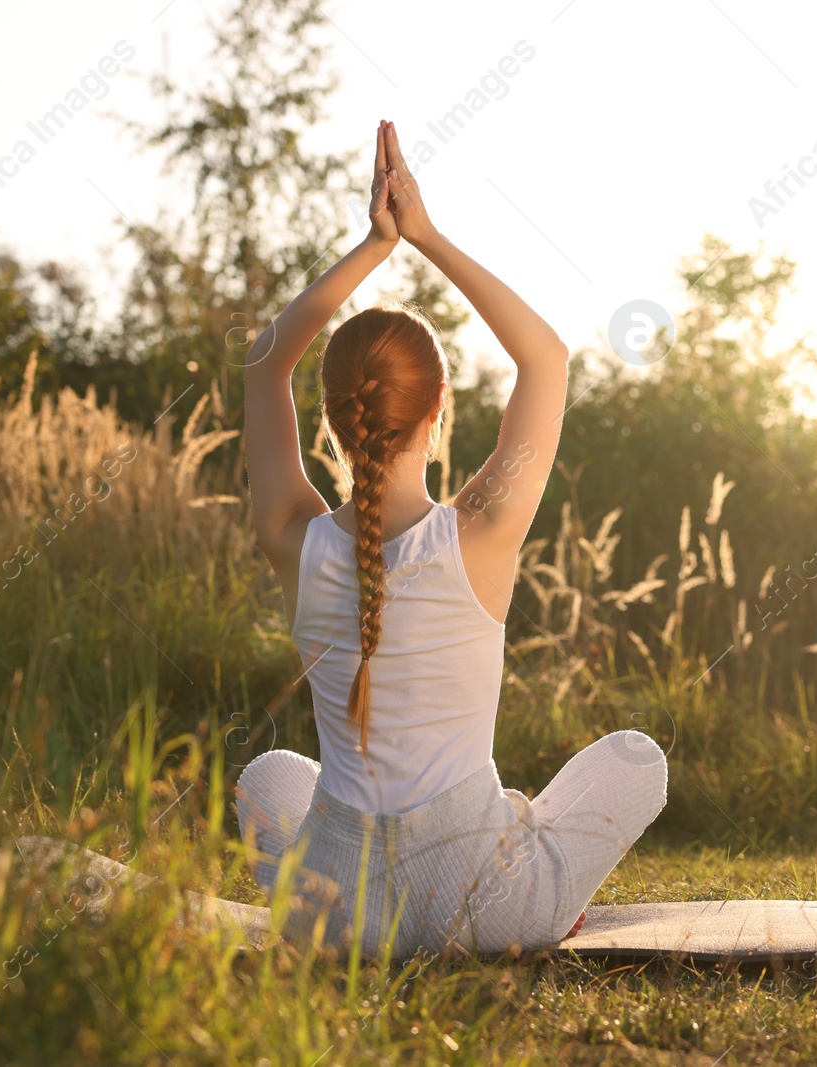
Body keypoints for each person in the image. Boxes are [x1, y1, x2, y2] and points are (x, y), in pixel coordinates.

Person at [236, 120, 667, 958]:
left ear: (329, 420)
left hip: (337, 916)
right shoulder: (483, 530)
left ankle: (485, 836)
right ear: (437, 416)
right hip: (481, 908)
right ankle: (523, 847)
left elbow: (263, 363)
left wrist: (373, 246)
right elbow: (544, 358)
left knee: (268, 777)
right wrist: (424, 235)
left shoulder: (295, 537)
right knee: (636, 756)